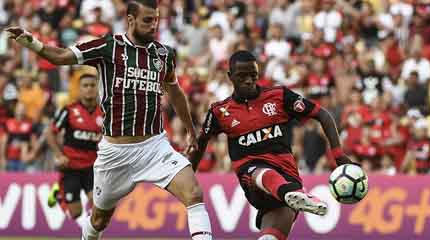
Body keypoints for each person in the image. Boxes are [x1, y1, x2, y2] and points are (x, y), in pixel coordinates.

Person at [4, 1, 213, 239]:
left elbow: (174, 92)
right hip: (115, 154)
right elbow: (62, 56)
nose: (153, 25)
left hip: (155, 147)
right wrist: (32, 41)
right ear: (131, 20)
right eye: (147, 20)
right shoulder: (108, 46)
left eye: (155, 19)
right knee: (99, 220)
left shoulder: (163, 54)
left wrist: (190, 129)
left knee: (194, 193)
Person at [193, 50, 356, 240]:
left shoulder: (279, 96)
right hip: (252, 177)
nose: (248, 80)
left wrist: (338, 154)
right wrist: (190, 174)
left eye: (253, 75)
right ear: (230, 76)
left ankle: (289, 194)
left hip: (287, 174)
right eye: (242, 76)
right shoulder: (220, 111)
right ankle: (290, 193)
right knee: (257, 171)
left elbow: (323, 115)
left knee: (272, 237)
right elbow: (201, 142)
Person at [45, 74, 102, 229]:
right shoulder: (69, 110)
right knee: (75, 213)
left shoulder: (104, 112)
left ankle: (91, 234)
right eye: (85, 85)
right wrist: (59, 155)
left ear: (97, 88)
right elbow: (49, 133)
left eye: (92, 85)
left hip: (92, 167)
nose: (89, 88)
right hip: (71, 167)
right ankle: (58, 193)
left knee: (98, 204)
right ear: (79, 89)